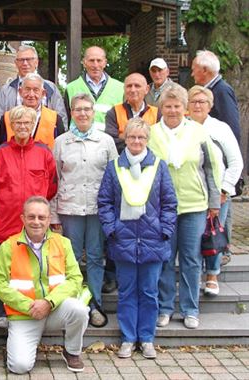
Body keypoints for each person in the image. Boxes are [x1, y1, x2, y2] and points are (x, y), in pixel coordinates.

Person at [98, 118, 177, 359]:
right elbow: (105, 202)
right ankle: (128, 338)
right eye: (132, 137)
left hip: (153, 240)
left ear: (147, 140)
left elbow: (169, 203)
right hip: (123, 241)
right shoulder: (114, 167)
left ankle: (147, 338)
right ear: (125, 138)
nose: (136, 141)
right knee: (127, 292)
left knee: (149, 292)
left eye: (141, 137)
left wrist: (165, 231)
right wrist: (112, 230)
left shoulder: (159, 166)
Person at [148, 83, 221, 329]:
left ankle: (190, 309)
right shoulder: (152, 133)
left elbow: (211, 167)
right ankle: (165, 307)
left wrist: (214, 202)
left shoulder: (198, 133)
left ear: (185, 108)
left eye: (177, 106)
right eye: (167, 106)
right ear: (161, 108)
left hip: (194, 205)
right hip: (162, 206)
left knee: (190, 258)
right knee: (166, 258)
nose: (172, 110)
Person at [0, 196, 89, 374]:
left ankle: (72, 351)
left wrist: (48, 302)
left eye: (41, 217)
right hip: (25, 314)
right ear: (23, 219)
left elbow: (75, 279)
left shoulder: (63, 243)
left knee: (80, 310)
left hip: (55, 310)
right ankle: (18, 345)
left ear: (49, 219)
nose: (36, 222)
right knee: (19, 367)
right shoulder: (8, 246)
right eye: (31, 217)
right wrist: (29, 306)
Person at [50, 93, 118, 326]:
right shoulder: (61, 142)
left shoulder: (106, 141)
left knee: (97, 257)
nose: (82, 113)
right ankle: (75, 304)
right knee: (72, 259)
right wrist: (53, 214)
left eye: (87, 109)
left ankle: (95, 304)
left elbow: (114, 178)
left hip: (98, 210)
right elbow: (54, 179)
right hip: (70, 209)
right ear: (71, 113)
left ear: (93, 111)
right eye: (77, 109)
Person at [187, 86, 243, 296]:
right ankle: (192, 278)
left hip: (217, 192)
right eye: (193, 101)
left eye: (202, 101)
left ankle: (212, 275)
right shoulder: (184, 127)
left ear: (210, 106)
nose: (198, 105)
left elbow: (236, 162)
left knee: (212, 234)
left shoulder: (221, 129)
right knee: (193, 240)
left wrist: (224, 190)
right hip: (191, 194)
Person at [192, 50, 242, 266]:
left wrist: (228, 180)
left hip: (221, 172)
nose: (192, 72)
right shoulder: (210, 89)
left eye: (194, 68)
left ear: (205, 70)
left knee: (221, 217)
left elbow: (233, 129)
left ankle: (223, 252)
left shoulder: (221, 91)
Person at [0, 105, 57, 246]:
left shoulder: (44, 153)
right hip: (6, 222)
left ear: (33, 125)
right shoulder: (0, 153)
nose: (22, 127)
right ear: (11, 125)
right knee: (7, 266)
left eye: (26, 123)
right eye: (18, 123)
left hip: (35, 224)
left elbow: (51, 187)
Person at [0, 45, 68, 127]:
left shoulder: (50, 88)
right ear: (16, 63)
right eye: (21, 60)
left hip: (45, 137)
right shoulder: (6, 90)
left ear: (36, 62)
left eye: (29, 59)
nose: (25, 63)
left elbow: (61, 119)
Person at [0, 73, 66, 149]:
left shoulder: (55, 119)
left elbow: (61, 150)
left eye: (36, 90)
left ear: (43, 93)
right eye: (27, 89)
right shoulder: (7, 118)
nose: (31, 94)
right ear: (20, 92)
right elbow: (2, 147)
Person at [65, 46, 124, 131]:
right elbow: (66, 121)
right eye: (91, 61)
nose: (95, 65)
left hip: (110, 142)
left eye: (99, 60)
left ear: (105, 62)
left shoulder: (120, 88)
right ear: (84, 63)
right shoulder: (71, 88)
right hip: (79, 141)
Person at [191, 50, 240, 142]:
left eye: (193, 70)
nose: (192, 74)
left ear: (204, 70)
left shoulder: (222, 91)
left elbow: (232, 127)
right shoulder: (213, 89)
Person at [105, 73, 161, 153]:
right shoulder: (114, 112)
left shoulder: (157, 113)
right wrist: (143, 139)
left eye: (137, 86)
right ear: (124, 89)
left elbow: (158, 142)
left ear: (147, 89)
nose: (133, 90)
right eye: (129, 86)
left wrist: (124, 136)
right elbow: (111, 142)